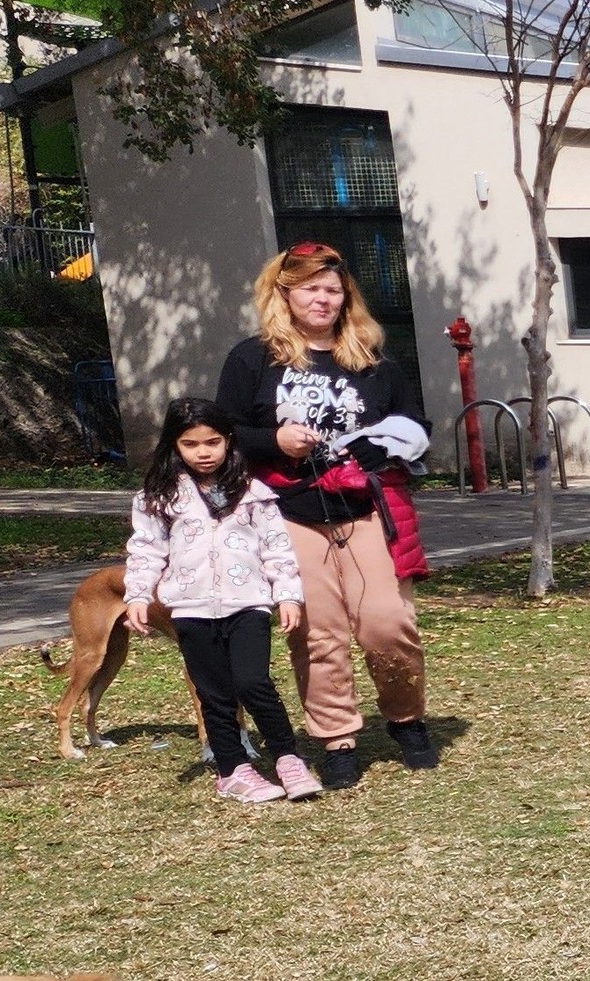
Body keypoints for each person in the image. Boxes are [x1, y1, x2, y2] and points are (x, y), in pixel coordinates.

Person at [217, 242, 435, 791]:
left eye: (333, 289)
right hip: (288, 512)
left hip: (364, 508)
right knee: (318, 633)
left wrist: (384, 447)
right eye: (310, 288)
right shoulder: (252, 359)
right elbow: (225, 433)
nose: (323, 299)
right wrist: (275, 441)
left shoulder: (373, 360)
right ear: (284, 294)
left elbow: (415, 423)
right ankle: (336, 739)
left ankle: (406, 718)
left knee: (387, 622)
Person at [122, 397, 320, 803]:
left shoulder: (253, 493)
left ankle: (288, 758)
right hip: (191, 609)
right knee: (213, 693)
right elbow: (146, 550)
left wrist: (287, 595)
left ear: (228, 440)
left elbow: (277, 548)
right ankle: (233, 770)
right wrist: (138, 594)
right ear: (174, 446)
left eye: (212, 442)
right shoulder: (159, 497)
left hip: (248, 605)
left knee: (253, 683)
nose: (203, 452)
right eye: (190, 444)